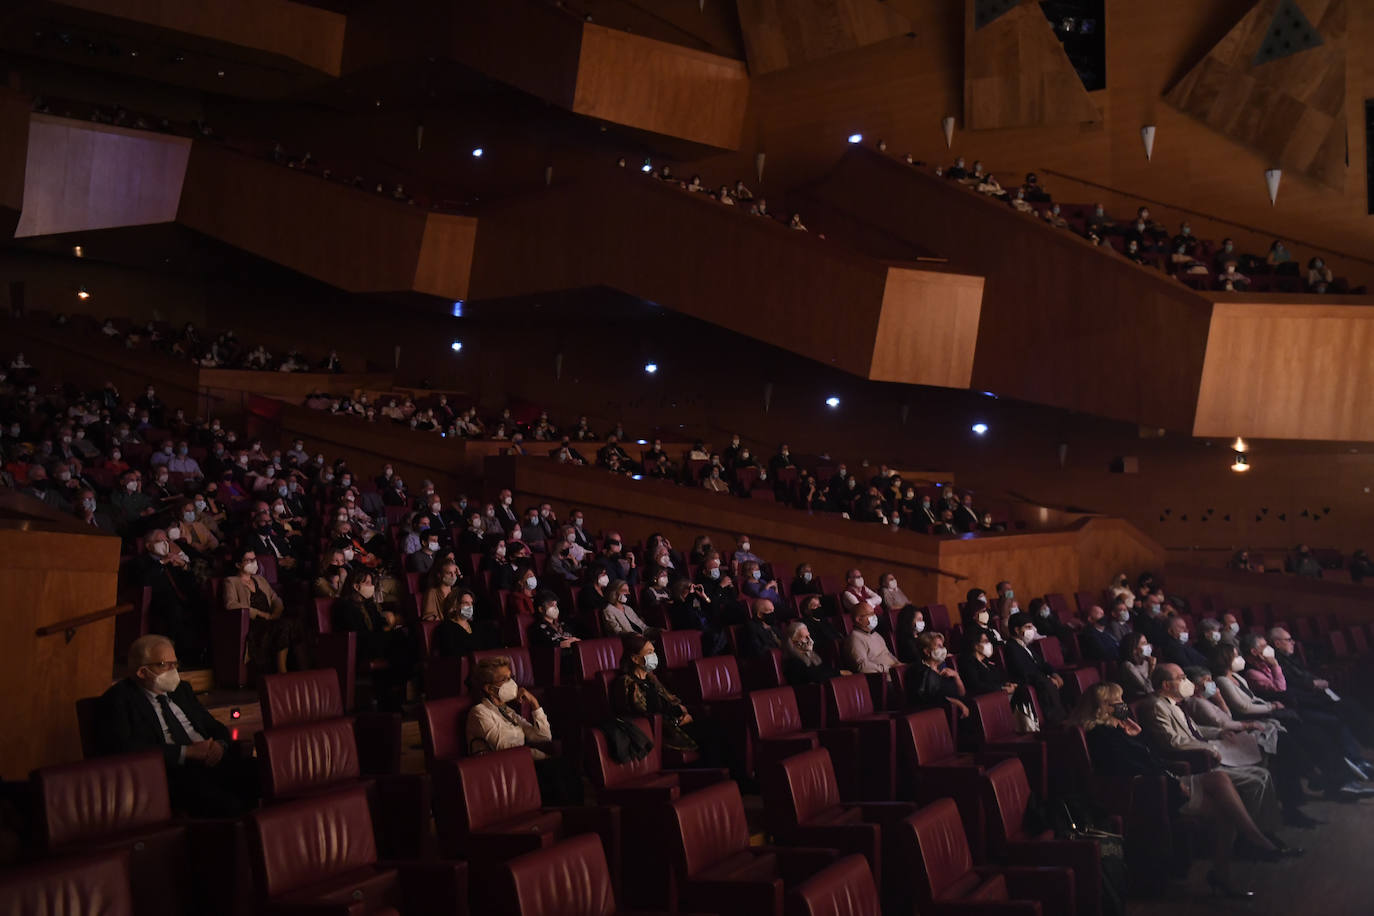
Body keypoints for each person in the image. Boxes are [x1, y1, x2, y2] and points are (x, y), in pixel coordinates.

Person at [1068, 682, 1285, 898]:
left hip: (1164, 781)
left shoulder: (1118, 729)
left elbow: (1151, 759)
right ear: (1104, 705)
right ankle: (1243, 853)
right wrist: (1172, 782)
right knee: (1223, 808)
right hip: (1150, 791)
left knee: (1220, 780)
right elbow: (1131, 768)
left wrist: (1136, 734)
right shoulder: (1102, 735)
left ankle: (1249, 845)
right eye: (1118, 701)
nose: (1124, 704)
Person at [95, 635, 259, 817]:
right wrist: (186, 752)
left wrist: (220, 745)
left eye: (175, 663)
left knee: (263, 773)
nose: (174, 671)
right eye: (165, 664)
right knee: (226, 803)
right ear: (142, 672)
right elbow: (126, 749)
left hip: (213, 759)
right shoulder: (119, 699)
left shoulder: (182, 690)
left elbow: (214, 726)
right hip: (173, 773)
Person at [1140, 664, 1290, 845]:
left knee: (1263, 774)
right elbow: (1173, 741)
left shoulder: (1172, 703)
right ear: (1165, 685)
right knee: (1256, 781)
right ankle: (1252, 841)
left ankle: (1266, 832)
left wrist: (1218, 733)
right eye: (1180, 677)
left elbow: (1193, 730)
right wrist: (1209, 748)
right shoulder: (1157, 705)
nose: (1185, 681)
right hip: (1196, 765)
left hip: (1207, 754)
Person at [467, 655, 580, 804]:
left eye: (511, 677)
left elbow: (544, 738)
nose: (512, 683)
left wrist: (534, 704)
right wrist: (537, 754)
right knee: (556, 770)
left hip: (523, 765)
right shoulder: (480, 712)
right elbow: (505, 748)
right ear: (489, 688)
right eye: (505, 679)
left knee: (567, 767)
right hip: (503, 772)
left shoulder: (507, 711)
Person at [333, 568, 415, 710]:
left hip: (375, 641)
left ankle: (396, 688)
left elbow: (380, 624)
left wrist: (387, 625)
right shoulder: (344, 606)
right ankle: (397, 687)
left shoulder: (369, 604)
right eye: (368, 583)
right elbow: (355, 631)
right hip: (358, 645)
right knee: (398, 642)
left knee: (405, 636)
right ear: (356, 586)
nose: (371, 587)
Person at [611, 635, 700, 754]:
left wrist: (683, 713)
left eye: (653, 652)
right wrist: (677, 721)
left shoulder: (651, 678)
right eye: (649, 652)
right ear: (635, 659)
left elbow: (671, 701)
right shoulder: (628, 682)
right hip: (661, 731)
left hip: (674, 722)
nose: (653, 656)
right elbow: (645, 714)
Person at [222, 549, 304, 674]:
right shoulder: (231, 581)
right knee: (284, 625)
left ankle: (303, 670)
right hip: (254, 624)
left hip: (271, 619)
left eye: (254, 559)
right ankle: (282, 672)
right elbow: (231, 604)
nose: (253, 563)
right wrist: (260, 614)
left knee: (295, 623)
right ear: (238, 564)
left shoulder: (260, 580)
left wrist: (276, 612)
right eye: (248, 560)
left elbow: (275, 599)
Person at [1002, 612, 1066, 725]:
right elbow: (1024, 671)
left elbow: (1042, 663)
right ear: (1017, 630)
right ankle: (1057, 721)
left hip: (1038, 678)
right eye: (1028, 627)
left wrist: (1054, 674)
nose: (1032, 630)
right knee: (1045, 682)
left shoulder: (1026, 646)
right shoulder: (1011, 647)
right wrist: (1047, 678)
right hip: (1026, 681)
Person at [906, 632, 969, 718]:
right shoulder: (920, 671)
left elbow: (962, 694)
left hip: (956, 713)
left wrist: (956, 676)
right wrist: (957, 703)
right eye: (939, 646)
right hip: (937, 716)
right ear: (927, 651)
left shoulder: (944, 669)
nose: (943, 649)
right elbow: (932, 699)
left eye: (943, 645)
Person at [845, 605, 900, 675]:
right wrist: (889, 668)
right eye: (870, 614)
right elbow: (862, 667)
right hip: (882, 678)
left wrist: (898, 664)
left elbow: (887, 653)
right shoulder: (855, 638)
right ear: (858, 619)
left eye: (874, 613)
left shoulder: (876, 634)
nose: (875, 616)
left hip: (894, 672)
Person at [958, 631, 1016, 697]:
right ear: (975, 645)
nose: (990, 644)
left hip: (999, 694)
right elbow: (976, 686)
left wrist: (1006, 684)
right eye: (986, 641)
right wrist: (1001, 689)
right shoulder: (968, 663)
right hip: (986, 698)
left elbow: (997, 678)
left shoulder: (986, 662)